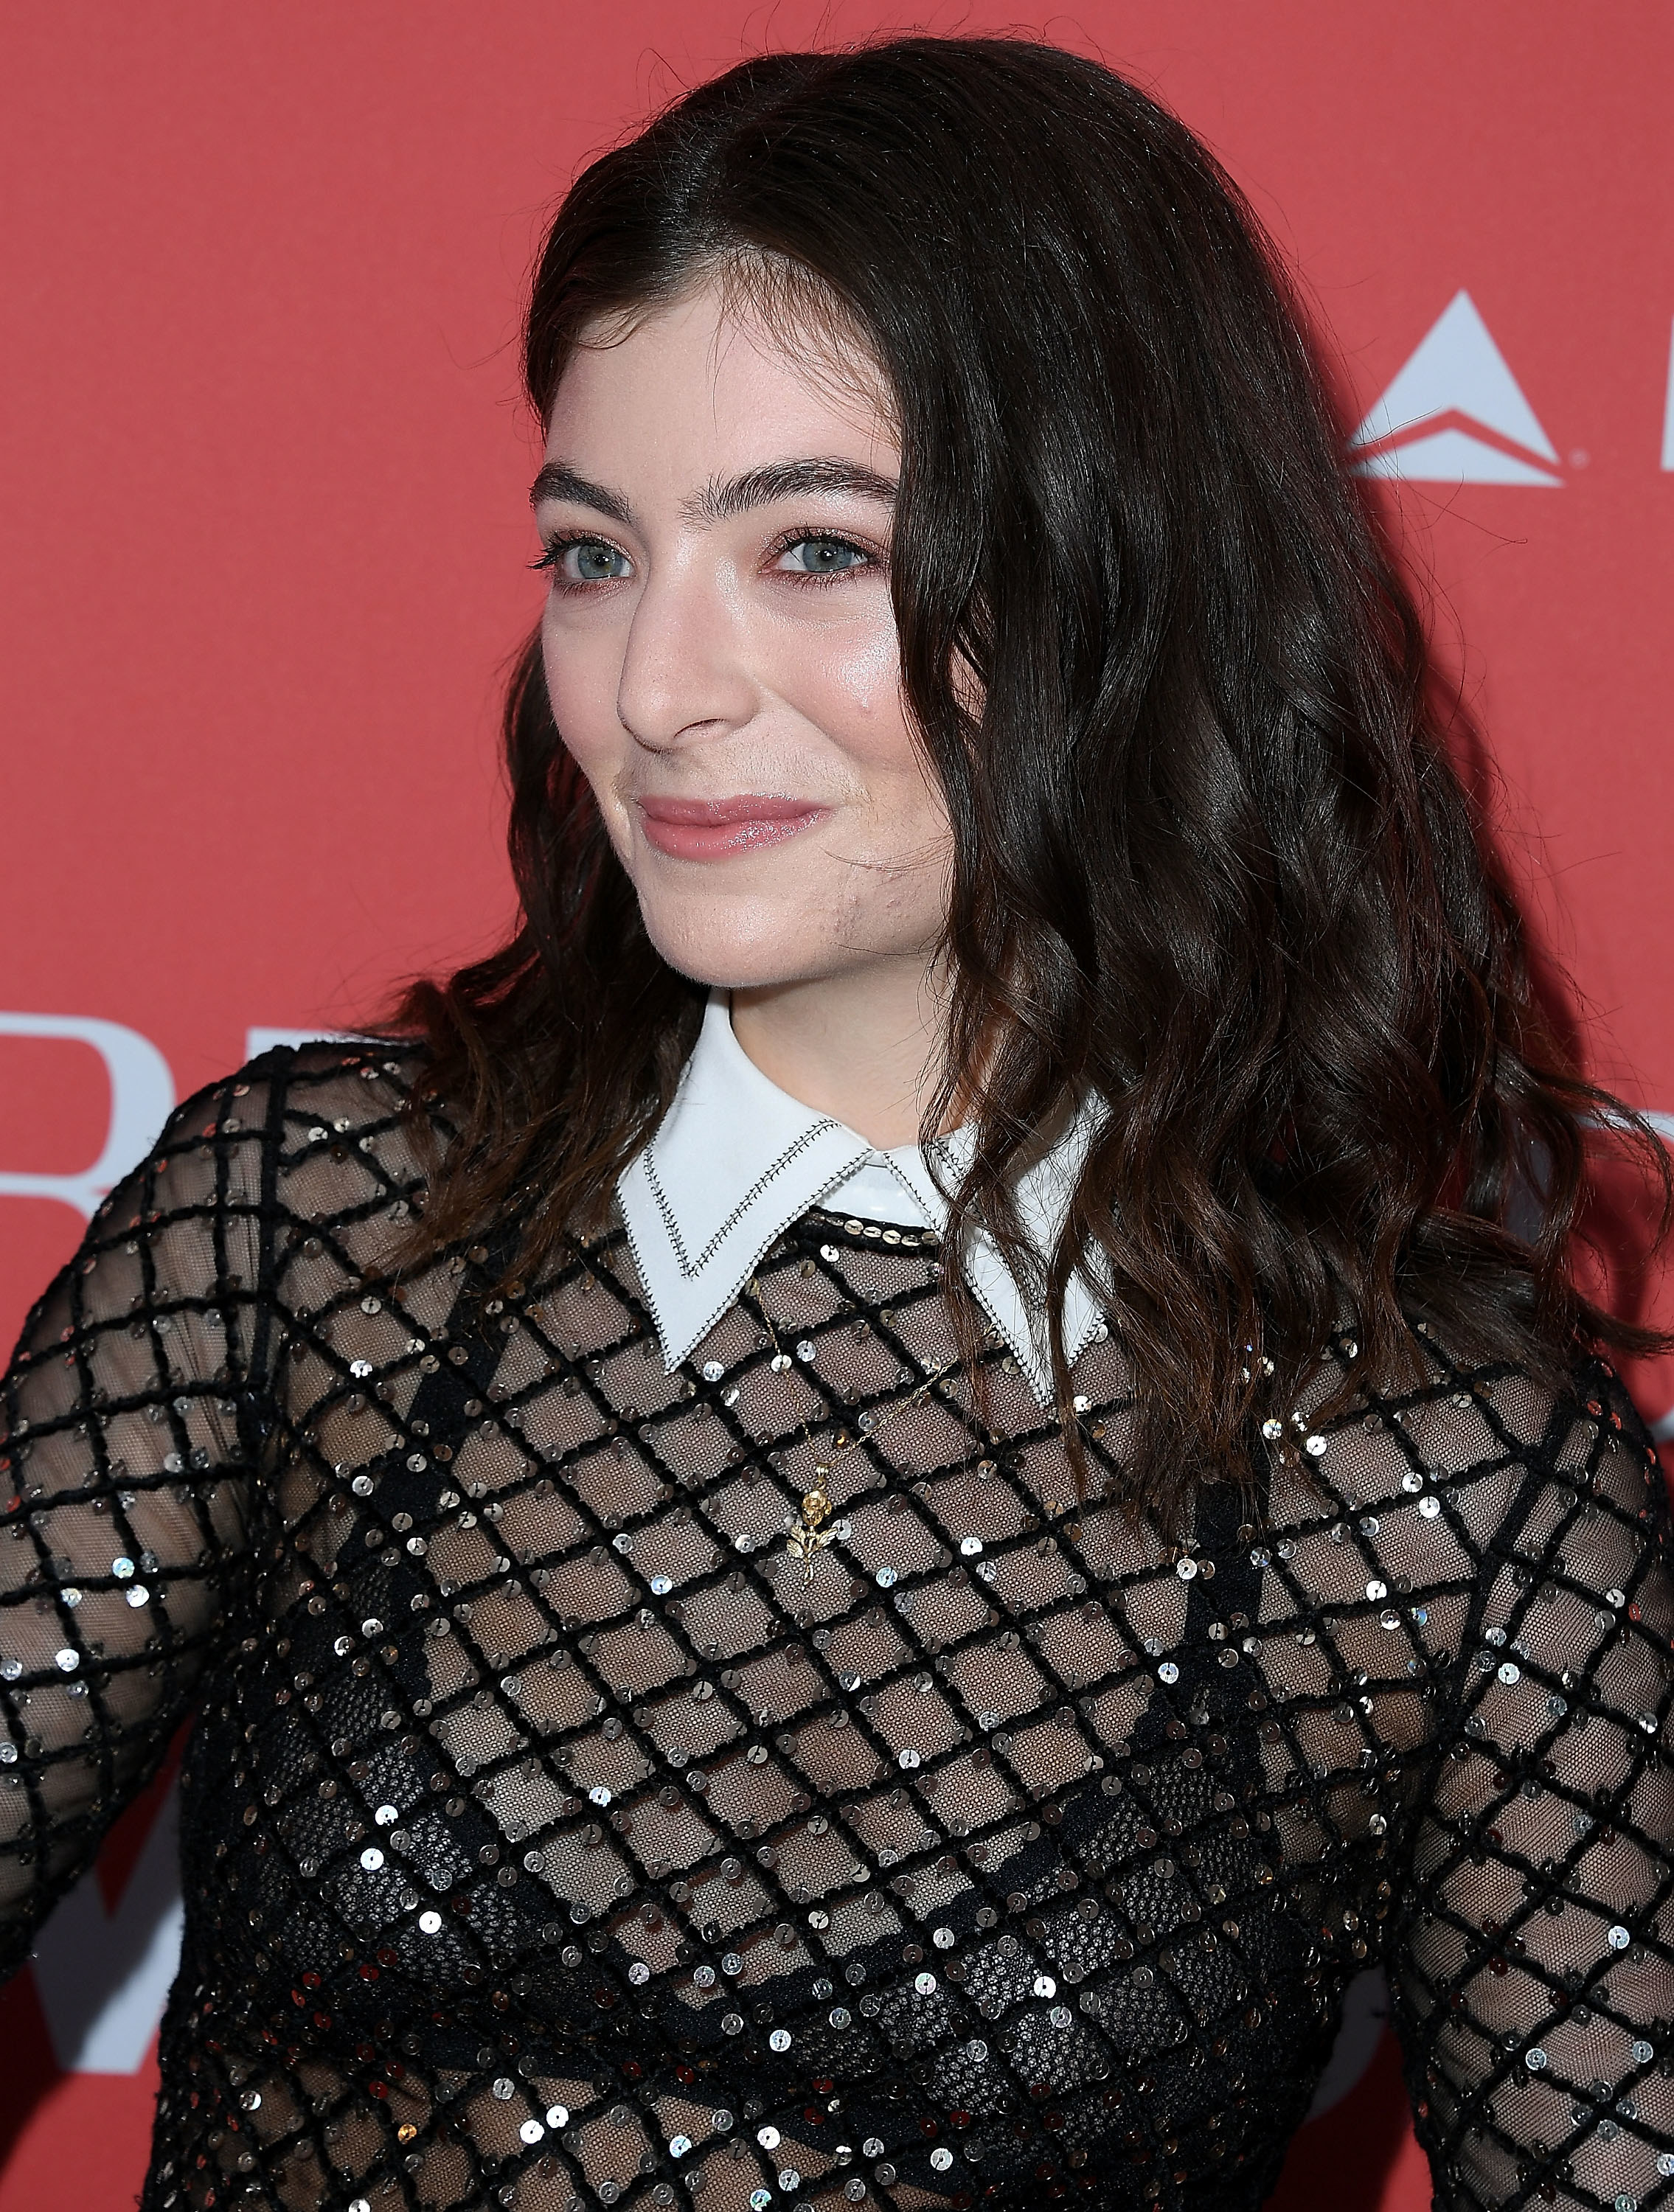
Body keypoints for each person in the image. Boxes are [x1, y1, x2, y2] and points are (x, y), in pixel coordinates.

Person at [2, 34, 1671, 2212]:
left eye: (811, 549)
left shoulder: (1446, 1486)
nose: (660, 688)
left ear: (1117, 578)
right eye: (595, 556)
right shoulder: (318, 1234)